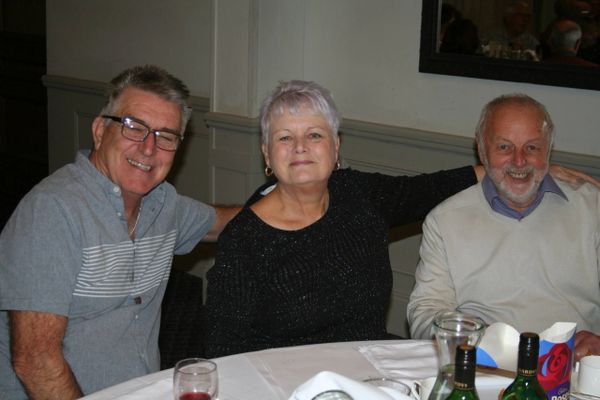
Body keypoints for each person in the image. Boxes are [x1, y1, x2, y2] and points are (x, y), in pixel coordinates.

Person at [203, 81, 595, 358]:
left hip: (370, 375)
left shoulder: (360, 196)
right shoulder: (245, 239)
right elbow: (224, 353)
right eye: (285, 137)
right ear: (266, 153)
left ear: (336, 146)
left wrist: (520, 165)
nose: (301, 147)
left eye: (315, 135)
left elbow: (430, 187)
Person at [0, 65, 238, 399]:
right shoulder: (52, 211)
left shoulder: (163, 205)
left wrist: (297, 194)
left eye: (166, 136)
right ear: (100, 131)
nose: (148, 148)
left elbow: (226, 222)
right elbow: (35, 361)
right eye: (133, 127)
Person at [407, 94, 600, 361]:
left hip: (576, 368)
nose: (519, 161)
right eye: (504, 147)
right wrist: (470, 339)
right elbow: (426, 311)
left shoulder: (592, 208)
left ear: (548, 149)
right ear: (481, 149)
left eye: (532, 148)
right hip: (483, 366)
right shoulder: (445, 220)